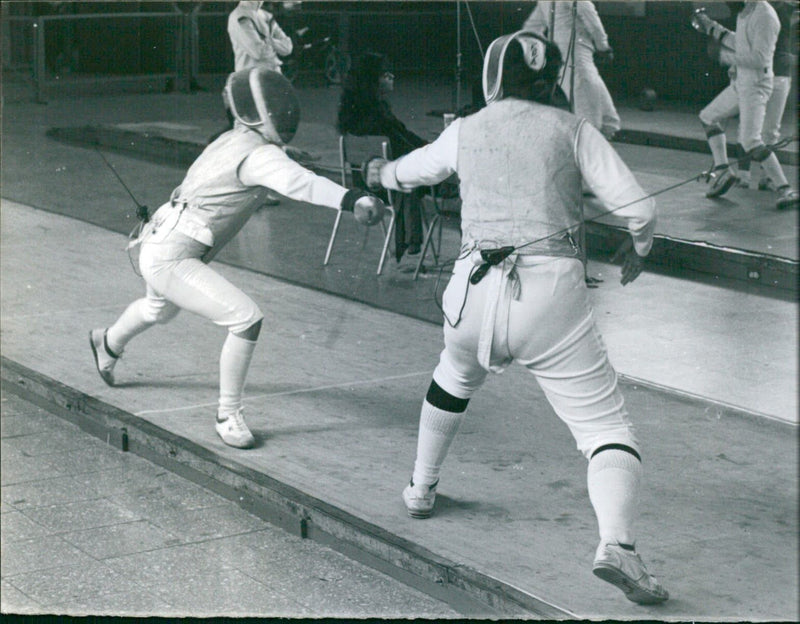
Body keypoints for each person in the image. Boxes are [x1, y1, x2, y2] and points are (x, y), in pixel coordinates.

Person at [365, 30, 668, 605]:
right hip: (548, 294)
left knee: (452, 378)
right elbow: (641, 209)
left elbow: (410, 172)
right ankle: (617, 546)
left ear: (493, 76)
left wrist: (380, 174)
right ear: (549, 77)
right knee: (604, 429)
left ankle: (421, 489)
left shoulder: (466, 129)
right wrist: (641, 246)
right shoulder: (572, 128)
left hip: (471, 291)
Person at [89, 68, 384, 450]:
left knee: (159, 309)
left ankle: (107, 343)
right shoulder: (261, 156)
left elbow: (271, 165)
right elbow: (301, 183)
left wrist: (285, 156)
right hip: (172, 255)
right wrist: (353, 199)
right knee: (245, 318)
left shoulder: (232, 138)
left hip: (159, 235)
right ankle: (227, 415)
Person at [694, 1, 798, 209]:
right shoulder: (745, 11)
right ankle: (723, 171)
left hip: (757, 84)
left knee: (750, 140)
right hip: (742, 82)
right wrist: (713, 28)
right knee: (708, 116)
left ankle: (785, 189)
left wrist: (724, 57)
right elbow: (740, 42)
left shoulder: (765, 16)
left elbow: (760, 59)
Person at [337, 52, 427, 259]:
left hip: (363, 182)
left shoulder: (353, 112)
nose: (391, 77)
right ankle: (411, 239)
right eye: (385, 74)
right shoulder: (377, 113)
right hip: (386, 186)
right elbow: (403, 140)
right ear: (373, 80)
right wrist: (428, 147)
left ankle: (409, 240)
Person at [522, 0, 620, 140]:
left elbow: (532, 27)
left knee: (590, 86)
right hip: (575, 51)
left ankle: (607, 125)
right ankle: (591, 138)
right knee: (583, 91)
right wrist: (603, 46)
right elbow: (591, 19)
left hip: (560, 52)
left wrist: (533, 51)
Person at [737, 1, 798, 190]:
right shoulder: (752, 10)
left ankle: (767, 178)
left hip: (779, 74)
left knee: (770, 131)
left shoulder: (784, 9)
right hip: (759, 74)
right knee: (749, 129)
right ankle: (744, 175)